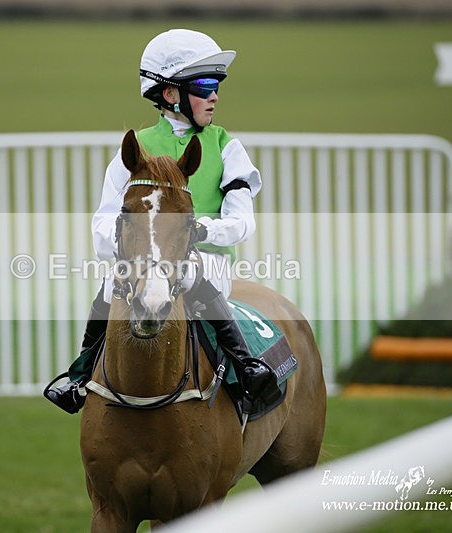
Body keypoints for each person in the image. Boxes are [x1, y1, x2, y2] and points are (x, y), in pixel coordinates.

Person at [45, 28, 279, 414]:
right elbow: (104, 223)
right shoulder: (134, 148)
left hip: (206, 260)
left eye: (217, 84)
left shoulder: (226, 147)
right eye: (204, 84)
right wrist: (129, 247)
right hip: (140, 261)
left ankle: (247, 368)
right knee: (109, 282)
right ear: (170, 94)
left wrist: (196, 231)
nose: (215, 94)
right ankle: (80, 374)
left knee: (192, 273)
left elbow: (242, 223)